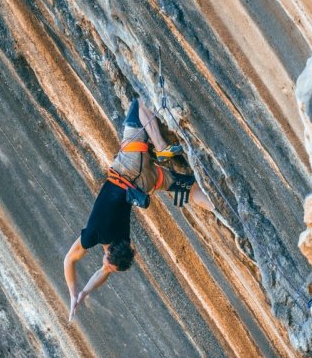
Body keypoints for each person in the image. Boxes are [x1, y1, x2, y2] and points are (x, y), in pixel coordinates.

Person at [63, 98, 212, 321]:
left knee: (190, 188)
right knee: (139, 104)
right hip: (130, 164)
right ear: (109, 253)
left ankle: (214, 206)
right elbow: (69, 261)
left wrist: (81, 293)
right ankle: (161, 147)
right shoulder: (94, 233)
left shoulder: (124, 239)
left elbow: (103, 272)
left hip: (146, 183)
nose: (104, 267)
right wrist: (77, 292)